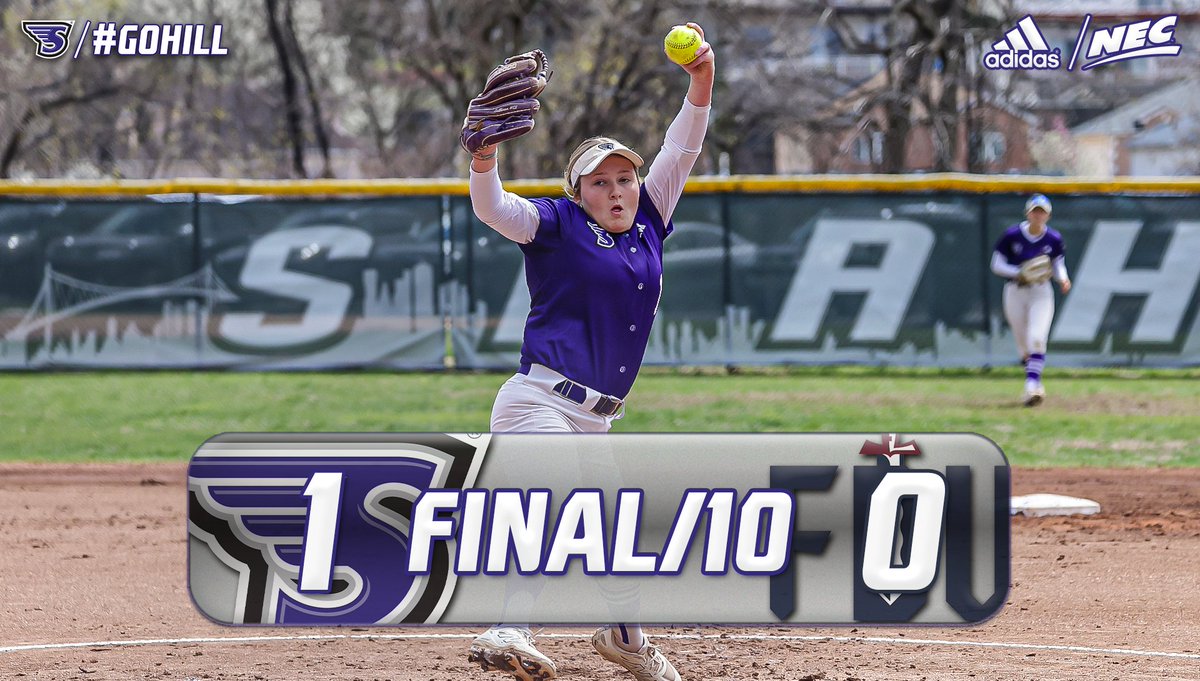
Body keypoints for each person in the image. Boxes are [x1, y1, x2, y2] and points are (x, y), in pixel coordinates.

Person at [462, 22, 715, 681]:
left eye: (625, 177)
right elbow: (494, 210)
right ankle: (507, 626)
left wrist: (701, 79)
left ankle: (626, 638)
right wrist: (483, 159)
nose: (618, 189)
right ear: (579, 191)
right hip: (537, 400)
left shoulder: (652, 220)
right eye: (600, 182)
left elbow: (682, 146)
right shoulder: (555, 224)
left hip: (597, 415)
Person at [990, 193, 1071, 406]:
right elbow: (996, 264)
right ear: (1028, 213)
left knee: (1037, 338)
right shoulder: (1012, 235)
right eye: (1035, 211)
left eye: (1042, 212)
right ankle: (1034, 382)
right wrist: (1019, 272)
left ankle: (1031, 386)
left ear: (1048, 215)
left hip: (1041, 291)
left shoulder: (1053, 239)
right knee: (1023, 345)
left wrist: (1063, 279)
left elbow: (1057, 264)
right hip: (1015, 291)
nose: (1038, 215)